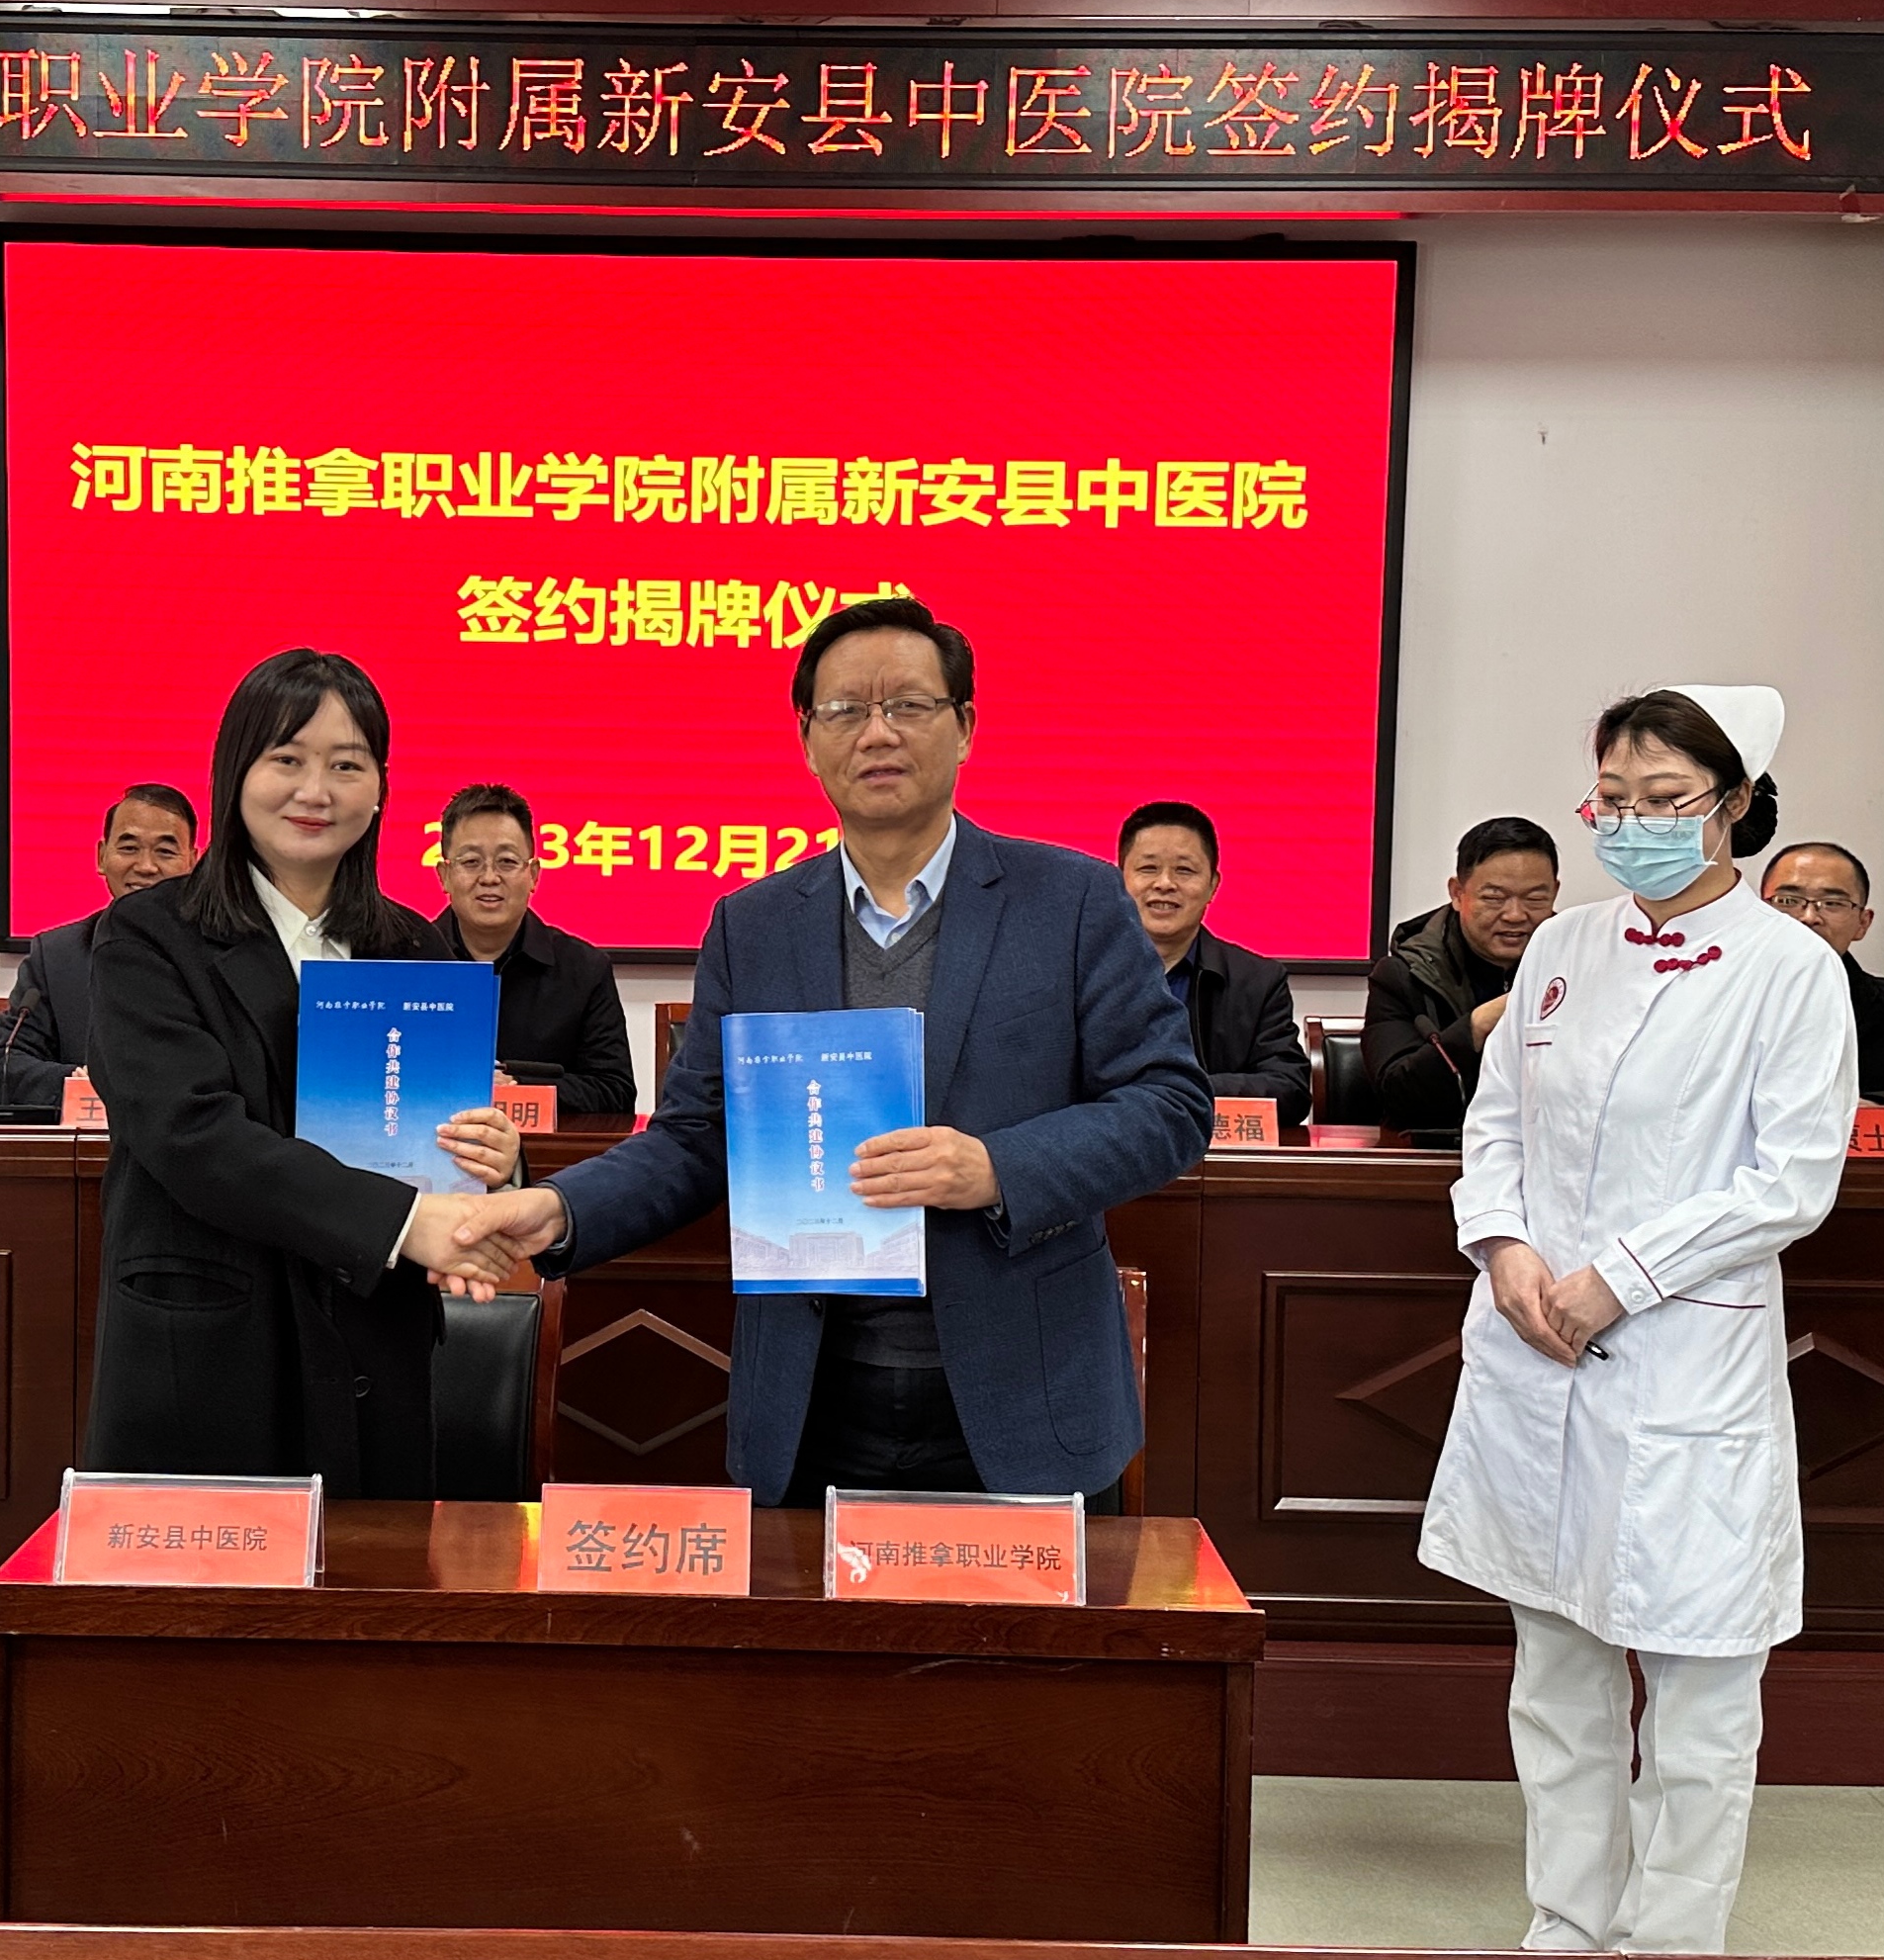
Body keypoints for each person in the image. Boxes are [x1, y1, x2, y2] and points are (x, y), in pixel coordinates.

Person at [445, 596, 1211, 1509]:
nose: (877, 732)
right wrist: (560, 1207)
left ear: (966, 727)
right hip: (812, 1401)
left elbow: (1169, 1104)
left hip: (1024, 1395)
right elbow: (696, 1137)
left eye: (909, 705)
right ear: (808, 740)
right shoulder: (754, 925)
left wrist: (994, 1168)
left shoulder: (1071, 900)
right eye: (845, 710)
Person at [1419, 684, 1854, 1955]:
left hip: (1680, 1359)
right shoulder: (1563, 948)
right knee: (1555, 1665)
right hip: (1534, 1349)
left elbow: (1791, 1178)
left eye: (1664, 800)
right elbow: (1497, 1121)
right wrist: (1503, 1245)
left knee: (1701, 1681)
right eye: (1613, 800)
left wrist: (1617, 1275)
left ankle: (1669, 1951)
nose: (1633, 823)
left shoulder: (1790, 967)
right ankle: (1566, 1921)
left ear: (1734, 804)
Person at [84, 651, 531, 1497]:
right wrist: (406, 1220)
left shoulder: (415, 946)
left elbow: (439, 1136)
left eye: (347, 765)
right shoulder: (146, 937)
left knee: (371, 1572)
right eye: (286, 758)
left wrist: (491, 1159)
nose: (315, 791)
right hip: (214, 1347)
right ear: (236, 772)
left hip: (373, 1343)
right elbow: (192, 1136)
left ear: (380, 788)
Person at [0, 783, 197, 1106]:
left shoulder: (222, 955)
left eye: (165, 851)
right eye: (129, 848)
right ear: (101, 857)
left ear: (192, 862)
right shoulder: (57, 957)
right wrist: (80, 1086)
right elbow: (1, 1067)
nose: (146, 866)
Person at [431, 782, 635, 1119]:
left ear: (533, 875)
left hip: (542, 1151)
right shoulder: (405, 961)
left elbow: (615, 1091)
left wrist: (518, 1090)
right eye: (471, 862)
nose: (489, 877)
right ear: (444, 875)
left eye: (507, 861)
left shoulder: (584, 968)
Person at [1118, 800, 1311, 1128]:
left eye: (1184, 870)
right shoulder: (1079, 973)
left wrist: (1180, 1089)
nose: (1165, 883)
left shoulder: (1258, 981)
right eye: (1148, 868)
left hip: (1213, 1150)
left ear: (1212, 885)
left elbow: (1289, 1089)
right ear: (1120, 880)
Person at [1363, 818, 1563, 1131]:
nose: (1515, 915)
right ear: (1458, 893)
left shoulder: (1580, 964)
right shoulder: (1403, 975)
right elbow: (1397, 1097)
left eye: (1535, 899)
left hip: (1552, 1145)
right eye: (1494, 898)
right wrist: (1477, 1025)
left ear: (1555, 892)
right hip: (1444, 1149)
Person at [1759, 842, 1884, 1135]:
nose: (1809, 917)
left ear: (1862, 924)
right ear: (1758, 912)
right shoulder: (1719, 987)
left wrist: (1862, 1109)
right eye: (1788, 900)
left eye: (1833, 903)